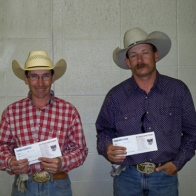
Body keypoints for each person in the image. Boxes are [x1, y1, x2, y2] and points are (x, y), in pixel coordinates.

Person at [96, 27, 196, 196]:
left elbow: (192, 132)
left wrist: (178, 162)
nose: (140, 59)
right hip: (127, 177)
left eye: (145, 52)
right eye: (133, 55)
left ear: (156, 56)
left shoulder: (178, 90)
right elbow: (104, 131)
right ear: (128, 62)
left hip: (164, 178)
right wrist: (107, 147)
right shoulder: (116, 96)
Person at [0, 50, 88, 196]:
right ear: (26, 79)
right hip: (24, 187)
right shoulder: (11, 112)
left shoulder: (69, 111)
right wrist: (10, 162)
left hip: (58, 186)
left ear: (52, 78)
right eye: (34, 76)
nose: (40, 83)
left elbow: (80, 150)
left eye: (45, 76)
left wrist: (62, 162)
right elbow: (2, 147)